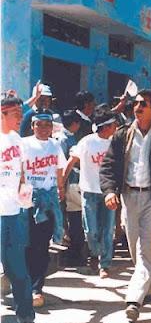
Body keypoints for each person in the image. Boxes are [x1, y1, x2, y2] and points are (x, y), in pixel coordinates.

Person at [99, 89, 151, 323]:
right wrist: (109, 192)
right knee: (135, 250)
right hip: (128, 197)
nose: (138, 107)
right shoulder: (122, 134)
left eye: (143, 104)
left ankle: (133, 301)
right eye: (136, 104)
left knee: (146, 251)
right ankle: (150, 288)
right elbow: (108, 166)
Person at [0, 96, 38, 323]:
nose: (20, 118)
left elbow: (22, 172)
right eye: (16, 114)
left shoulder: (18, 141)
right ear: (2, 113)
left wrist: (24, 191)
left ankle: (26, 318)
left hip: (13, 216)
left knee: (19, 271)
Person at [63, 112, 118, 278]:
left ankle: (105, 264)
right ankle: (94, 253)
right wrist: (61, 183)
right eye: (114, 124)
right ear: (107, 126)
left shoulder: (115, 143)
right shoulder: (87, 141)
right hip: (89, 192)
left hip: (108, 193)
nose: (116, 127)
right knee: (91, 229)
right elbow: (71, 161)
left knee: (108, 229)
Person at [23, 112, 67, 308]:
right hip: (27, 199)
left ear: (52, 127)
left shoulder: (55, 145)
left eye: (47, 125)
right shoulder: (24, 144)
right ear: (32, 126)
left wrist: (61, 188)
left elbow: (59, 169)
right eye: (39, 124)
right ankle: (25, 285)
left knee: (42, 245)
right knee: (27, 244)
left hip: (48, 200)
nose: (43, 128)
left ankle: (36, 288)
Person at [54, 110, 85, 265]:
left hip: (72, 182)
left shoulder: (70, 138)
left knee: (74, 218)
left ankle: (76, 251)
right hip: (69, 183)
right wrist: (61, 186)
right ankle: (73, 252)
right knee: (72, 218)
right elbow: (63, 165)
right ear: (74, 123)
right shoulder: (63, 139)